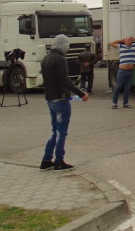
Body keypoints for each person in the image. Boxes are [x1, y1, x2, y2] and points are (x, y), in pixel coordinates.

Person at [39, 35, 89, 171]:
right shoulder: (60, 59)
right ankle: (59, 161)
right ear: (63, 45)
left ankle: (46, 160)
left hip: (50, 99)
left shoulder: (46, 58)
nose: (68, 48)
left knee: (54, 130)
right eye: (67, 45)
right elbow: (65, 80)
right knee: (62, 132)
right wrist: (81, 94)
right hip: (61, 99)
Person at [110, 36, 135, 109]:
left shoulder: (134, 46)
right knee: (118, 87)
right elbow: (112, 43)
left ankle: (125, 103)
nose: (130, 41)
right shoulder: (121, 47)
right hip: (122, 70)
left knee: (128, 87)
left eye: (130, 40)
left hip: (131, 70)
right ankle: (114, 102)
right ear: (125, 41)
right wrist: (121, 40)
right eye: (128, 40)